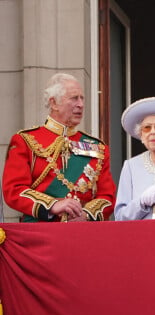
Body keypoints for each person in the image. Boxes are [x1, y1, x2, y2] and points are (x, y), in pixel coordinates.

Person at [2, 73, 116, 222]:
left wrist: (86, 214)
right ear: (54, 103)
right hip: (40, 232)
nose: (81, 104)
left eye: (82, 98)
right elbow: (14, 190)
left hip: (83, 232)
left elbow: (107, 196)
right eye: (74, 98)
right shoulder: (26, 140)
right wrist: (53, 205)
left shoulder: (98, 147)